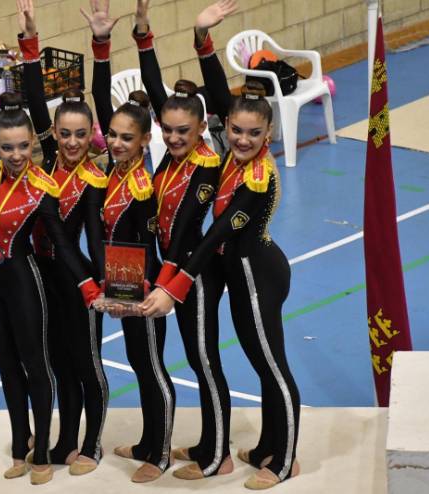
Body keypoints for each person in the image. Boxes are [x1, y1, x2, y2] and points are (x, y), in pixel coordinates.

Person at [0, 15, 101, 485]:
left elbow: (62, 243)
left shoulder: (42, 187)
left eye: (22, 146)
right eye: (6, 147)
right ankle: (20, 447)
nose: (15, 155)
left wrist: (90, 285)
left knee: (37, 366)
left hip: (23, 281)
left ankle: (42, 456)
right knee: (5, 365)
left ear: (35, 142)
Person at [140, 80, 302, 490]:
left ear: (268, 133)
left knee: (272, 368)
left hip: (257, 276)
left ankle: (285, 461)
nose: (243, 139)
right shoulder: (232, 156)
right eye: (236, 130)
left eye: (254, 133)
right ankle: (267, 447)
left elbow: (215, 235)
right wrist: (200, 45)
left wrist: (174, 286)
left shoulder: (257, 176)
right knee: (258, 363)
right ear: (225, 124)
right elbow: (208, 91)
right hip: (240, 274)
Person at [129, 0, 239, 480]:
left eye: (183, 132)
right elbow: (155, 89)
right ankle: (205, 444)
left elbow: (186, 233)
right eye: (168, 130)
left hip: (197, 271)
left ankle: (218, 456)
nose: (173, 138)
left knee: (203, 359)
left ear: (201, 128)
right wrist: (143, 33)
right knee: (197, 358)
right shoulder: (173, 157)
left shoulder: (206, 166)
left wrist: (167, 284)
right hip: (174, 268)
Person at [82, 0, 176, 483]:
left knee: (152, 365)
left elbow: (143, 248)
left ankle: (160, 454)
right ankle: (146, 441)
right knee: (139, 363)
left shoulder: (144, 183)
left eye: (127, 138)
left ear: (144, 142)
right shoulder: (111, 171)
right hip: (120, 283)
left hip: (144, 286)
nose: (117, 142)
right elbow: (101, 96)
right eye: (113, 135)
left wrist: (144, 36)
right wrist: (101, 43)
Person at [15, 0, 110, 476]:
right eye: (65, 134)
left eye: (80, 135)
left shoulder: (94, 180)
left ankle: (92, 443)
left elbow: (93, 239)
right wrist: (30, 41)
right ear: (53, 133)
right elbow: (36, 98)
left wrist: (99, 284)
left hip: (78, 279)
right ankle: (66, 439)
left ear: (92, 135)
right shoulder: (49, 160)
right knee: (59, 362)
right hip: (44, 277)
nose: (72, 143)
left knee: (87, 362)